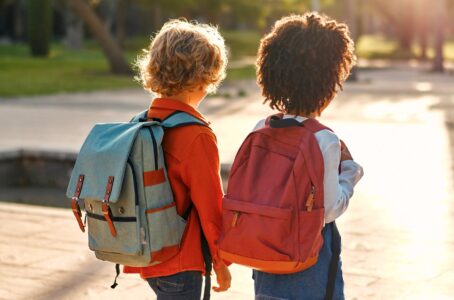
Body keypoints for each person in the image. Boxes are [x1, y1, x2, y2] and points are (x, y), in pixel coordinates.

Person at [251, 13, 363, 300]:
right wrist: (350, 172)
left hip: (265, 263)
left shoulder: (261, 128)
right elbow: (327, 210)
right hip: (307, 268)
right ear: (328, 82)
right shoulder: (322, 139)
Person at [123, 19, 231, 299]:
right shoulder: (196, 135)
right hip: (182, 261)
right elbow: (211, 208)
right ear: (204, 77)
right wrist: (221, 261)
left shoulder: (141, 122)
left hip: (148, 256)